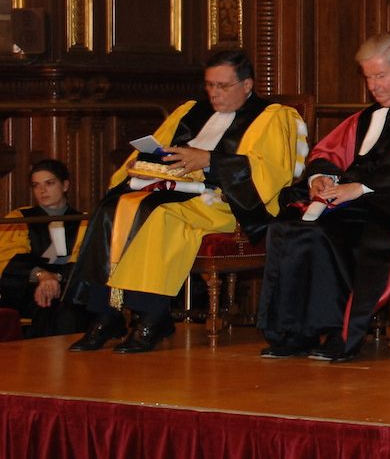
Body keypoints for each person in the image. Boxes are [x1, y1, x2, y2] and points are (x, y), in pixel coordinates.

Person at [64, 50, 307, 353]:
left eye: (223, 86)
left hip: (224, 201)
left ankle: (151, 316)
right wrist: (147, 161)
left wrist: (209, 161)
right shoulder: (190, 111)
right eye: (210, 85)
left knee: (161, 216)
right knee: (111, 207)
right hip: (174, 189)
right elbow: (160, 146)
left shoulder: (272, 116)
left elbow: (271, 170)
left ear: (247, 85)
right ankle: (106, 314)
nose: (214, 94)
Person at [257, 33, 390, 362]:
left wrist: (362, 188)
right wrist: (320, 177)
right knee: (287, 228)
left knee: (323, 235)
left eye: (380, 76)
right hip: (347, 203)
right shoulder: (366, 117)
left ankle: (340, 333)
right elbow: (328, 151)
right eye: (369, 78)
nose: (374, 86)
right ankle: (294, 332)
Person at [0, 160, 88, 337]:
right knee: (47, 305)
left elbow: (85, 261)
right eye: (36, 185)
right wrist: (42, 276)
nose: (42, 191)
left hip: (70, 287)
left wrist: (56, 277)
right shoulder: (19, 218)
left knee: (69, 306)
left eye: (49, 183)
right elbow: (8, 257)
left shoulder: (84, 221)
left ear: (65, 185)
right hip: (28, 288)